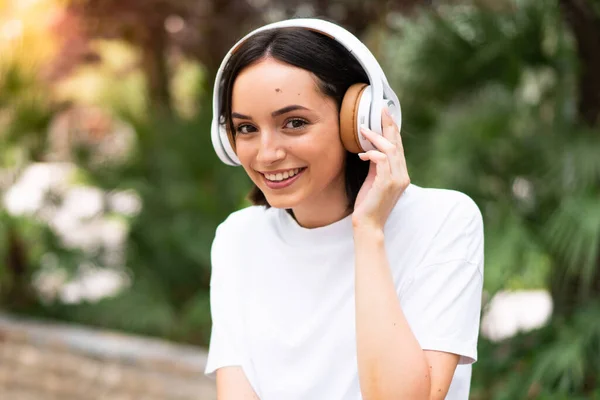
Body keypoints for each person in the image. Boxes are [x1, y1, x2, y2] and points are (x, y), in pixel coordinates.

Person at [204, 18, 484, 400]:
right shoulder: (238, 237)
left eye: (294, 122)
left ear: (357, 119)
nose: (267, 154)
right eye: (247, 129)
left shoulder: (444, 220)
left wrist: (369, 231)